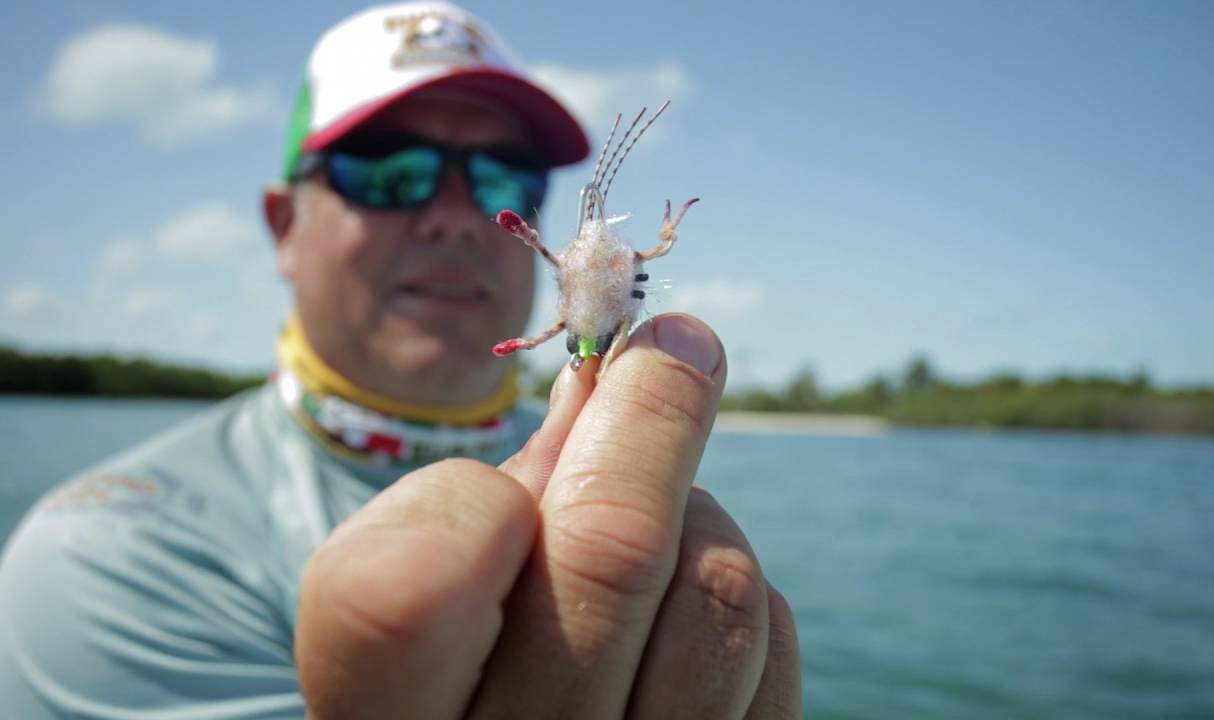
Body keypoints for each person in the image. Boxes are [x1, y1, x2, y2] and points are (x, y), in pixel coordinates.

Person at [0, 2, 800, 717]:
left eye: (501, 175)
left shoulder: (648, 494)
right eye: (390, 169)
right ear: (285, 227)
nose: (457, 217)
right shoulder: (114, 557)